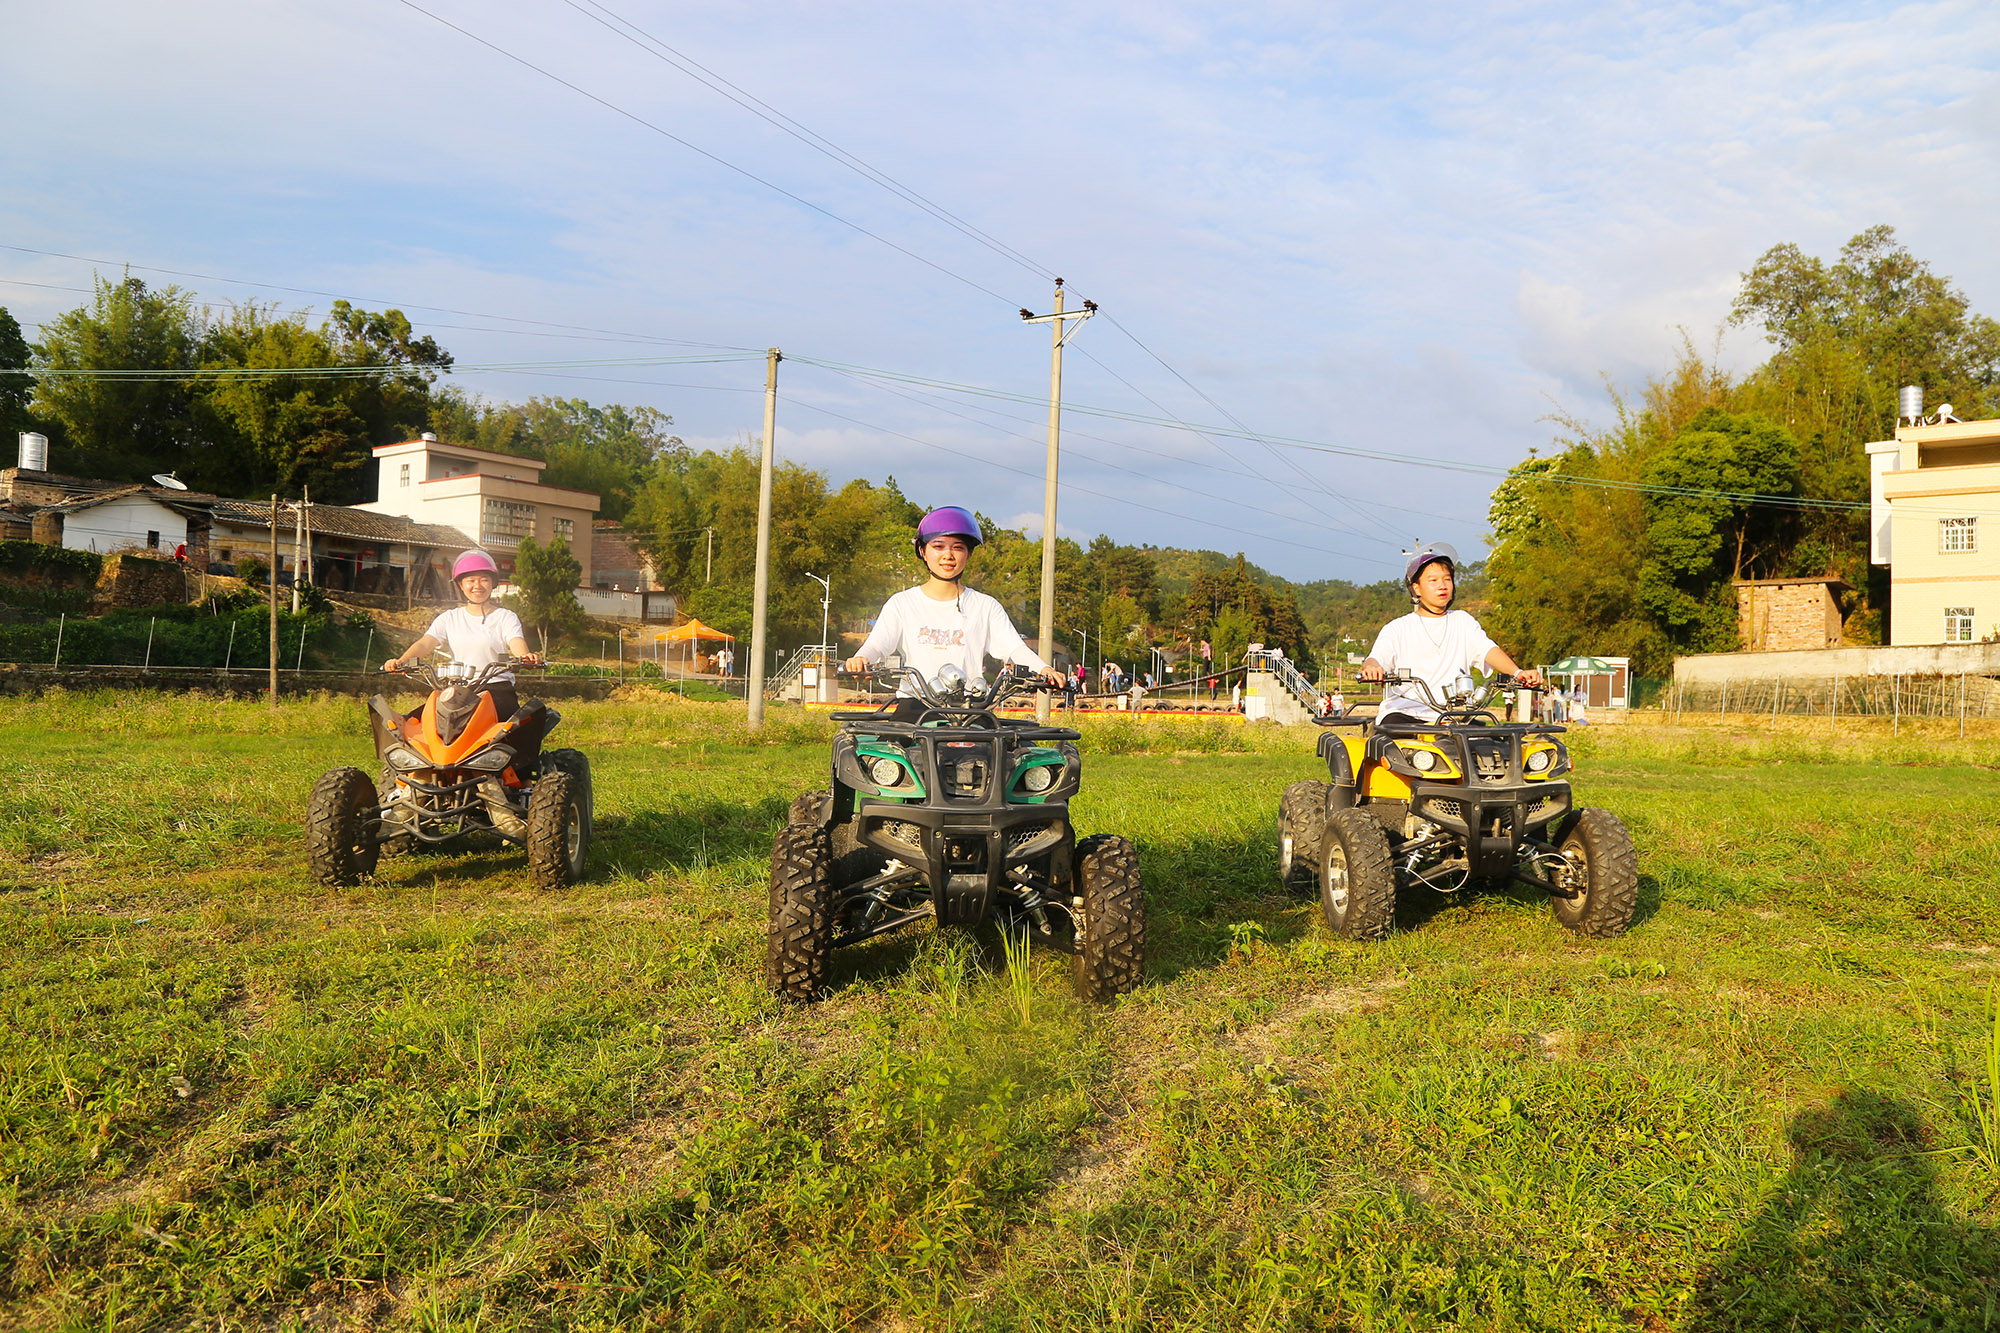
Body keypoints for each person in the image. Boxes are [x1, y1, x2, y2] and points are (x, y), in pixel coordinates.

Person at [843, 506, 1062, 715]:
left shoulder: (985, 606)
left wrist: (1044, 669)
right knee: (891, 742)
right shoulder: (902, 603)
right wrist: (860, 659)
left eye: (958, 547)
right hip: (915, 706)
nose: (948, 555)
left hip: (969, 707)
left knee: (1003, 742)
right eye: (938, 546)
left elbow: (1015, 648)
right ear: (922, 551)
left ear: (968, 554)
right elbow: (878, 644)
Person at [383, 549, 546, 761]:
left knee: (514, 732)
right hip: (457, 690)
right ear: (460, 584)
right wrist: (401, 661)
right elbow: (425, 643)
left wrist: (525, 656)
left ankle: (520, 776)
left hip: (496, 687)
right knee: (414, 725)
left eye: (484, 579)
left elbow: (516, 641)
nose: (477, 585)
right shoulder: (449, 618)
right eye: (470, 580)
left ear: (493, 583)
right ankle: (408, 774)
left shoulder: (505, 617)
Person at [1356, 542, 1543, 723]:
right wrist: (1372, 669)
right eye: (1433, 580)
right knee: (1396, 740)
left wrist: (1518, 672)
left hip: (1452, 716)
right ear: (1416, 588)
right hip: (1405, 714)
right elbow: (1376, 659)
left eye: (1447, 579)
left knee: (1493, 741)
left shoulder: (1462, 621)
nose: (1442, 585)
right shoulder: (1398, 628)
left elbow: (1487, 650)